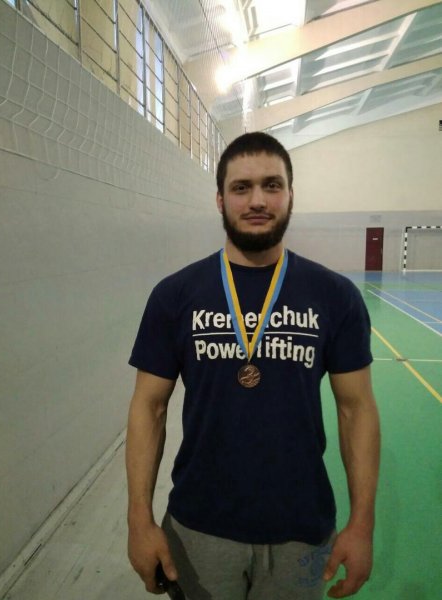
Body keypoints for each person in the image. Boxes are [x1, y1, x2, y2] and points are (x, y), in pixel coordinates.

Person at [126, 132, 380, 600]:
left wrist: (362, 525)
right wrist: (138, 520)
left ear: (290, 195)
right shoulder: (175, 295)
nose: (258, 200)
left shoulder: (334, 296)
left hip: (301, 528)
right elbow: (149, 408)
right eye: (241, 187)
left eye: (272, 185)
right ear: (220, 199)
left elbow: (356, 409)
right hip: (199, 527)